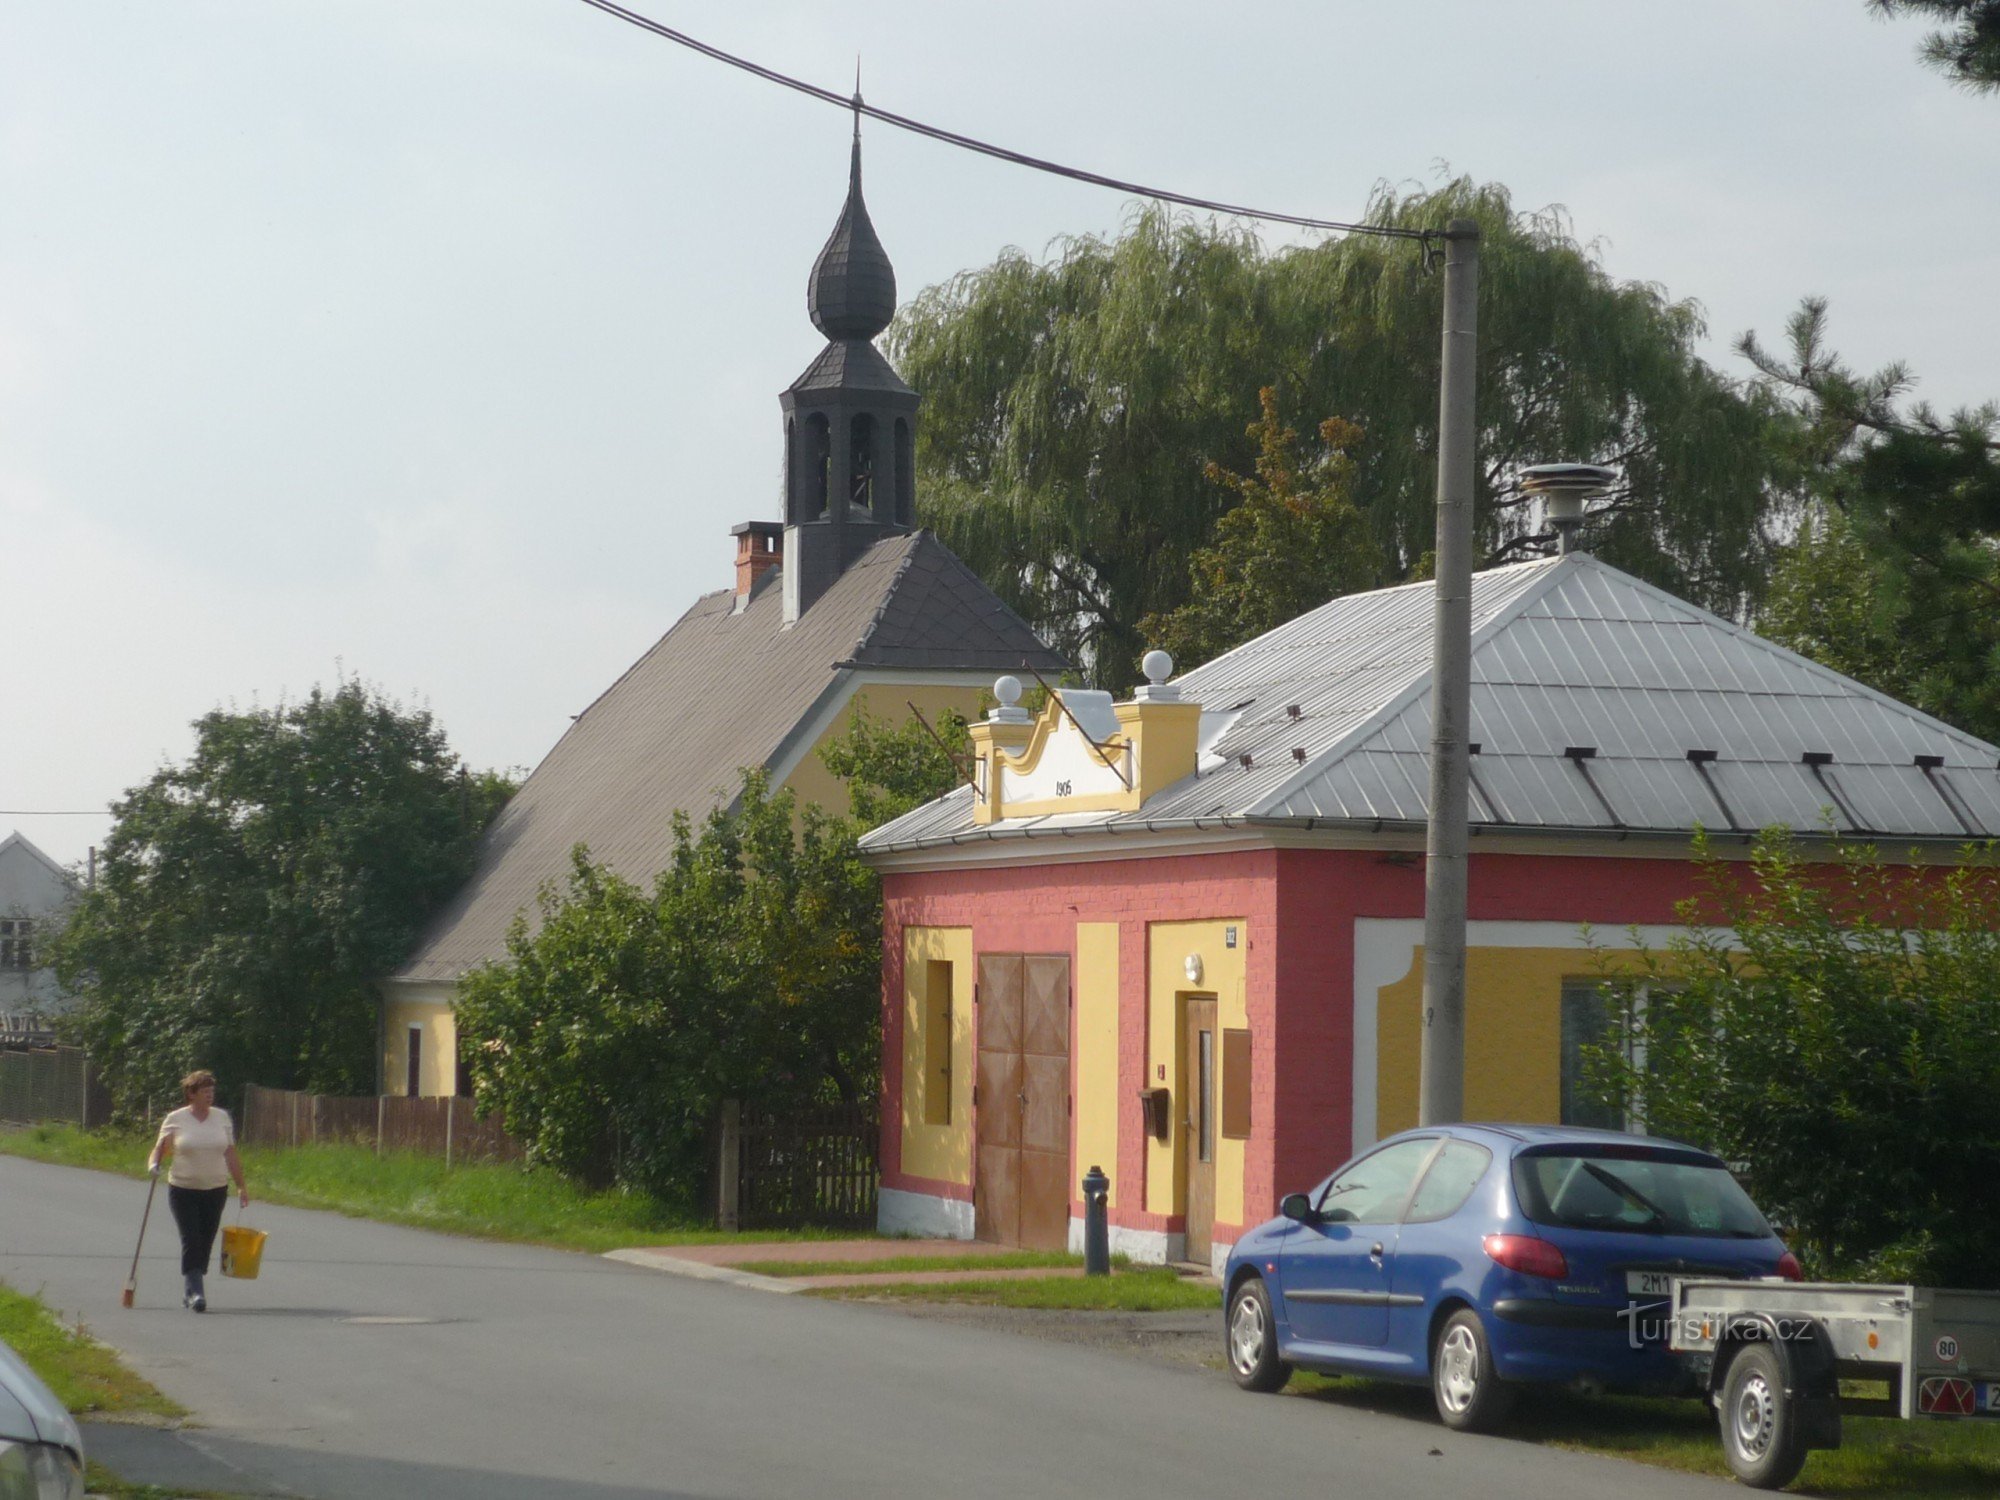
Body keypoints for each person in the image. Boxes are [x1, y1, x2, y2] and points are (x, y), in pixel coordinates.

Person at [147, 1070, 249, 1312]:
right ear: (191, 1094)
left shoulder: (222, 1118)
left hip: (215, 1188)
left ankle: (190, 1288)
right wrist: (153, 1165)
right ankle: (197, 1292)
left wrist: (242, 1186)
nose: (210, 1095)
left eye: (212, 1091)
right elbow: (159, 1149)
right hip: (183, 1189)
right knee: (191, 1238)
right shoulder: (176, 1119)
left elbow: (230, 1153)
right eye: (205, 1091)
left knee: (206, 1239)